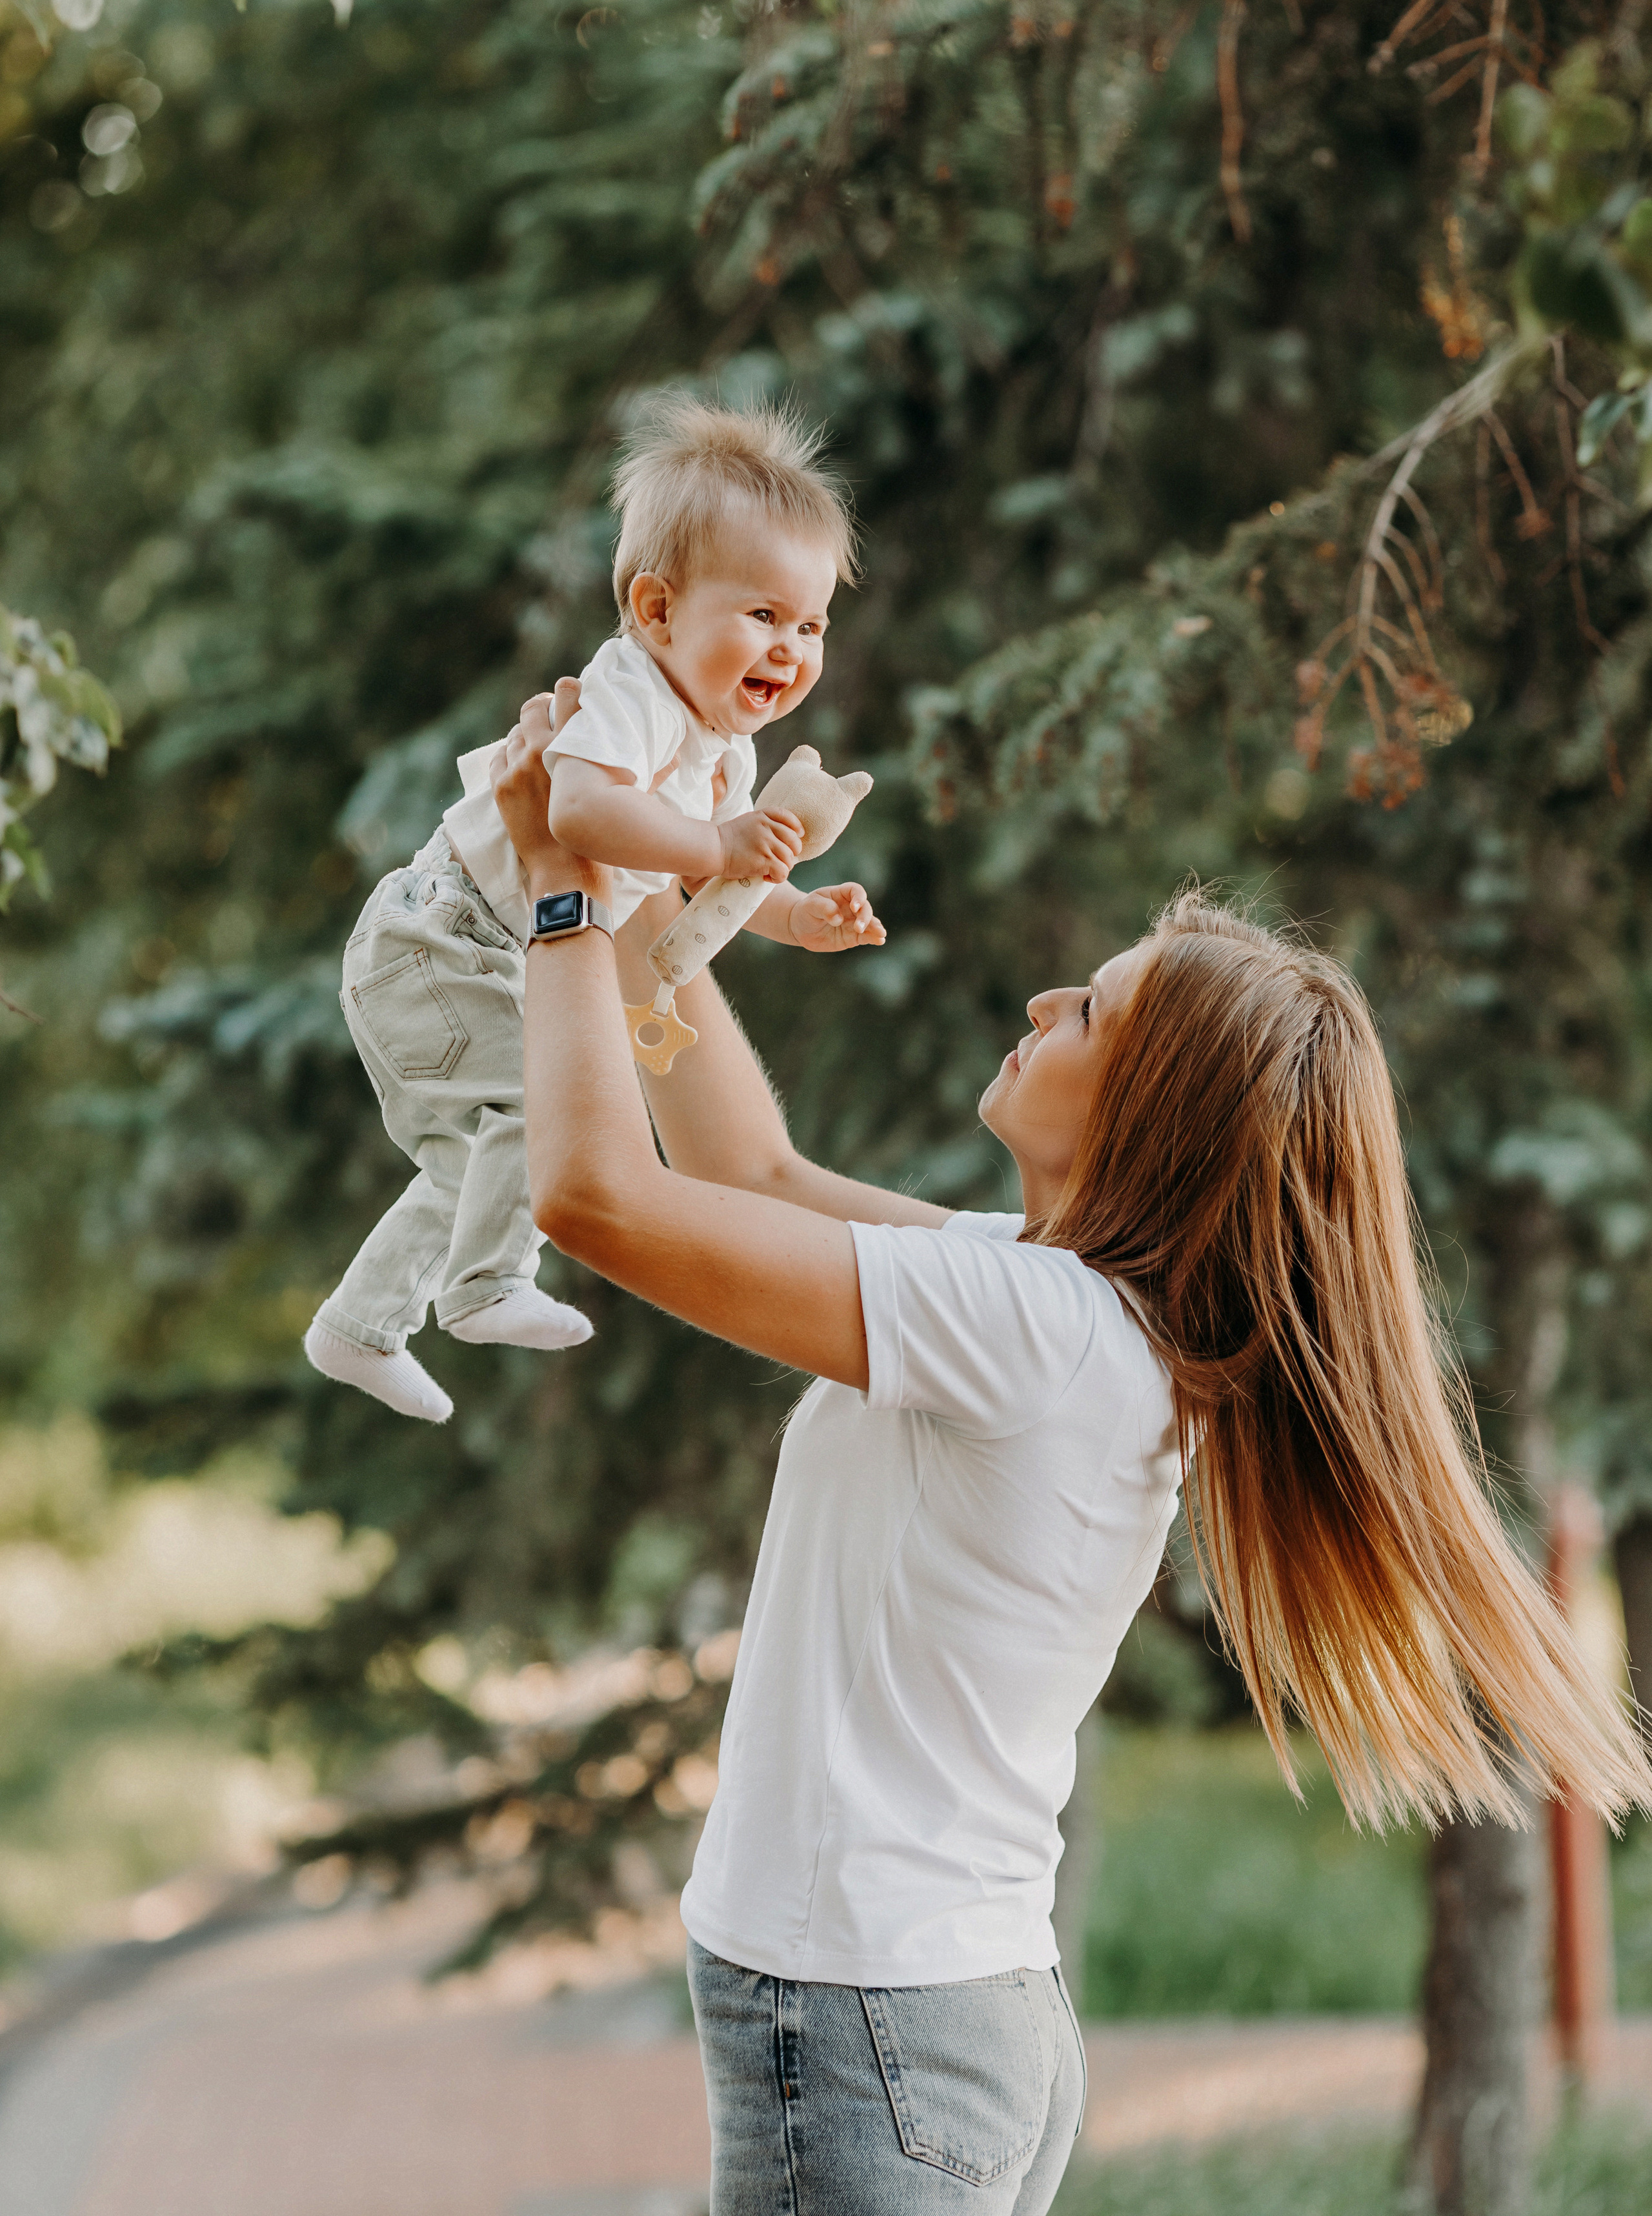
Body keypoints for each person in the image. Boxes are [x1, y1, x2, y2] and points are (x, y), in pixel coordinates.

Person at [489, 693, 1652, 2216]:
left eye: (1089, 1014)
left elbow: (595, 1199)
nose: (1044, 1000)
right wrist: (650, 876)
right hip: (937, 2017)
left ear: (1151, 1118)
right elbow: (747, 1171)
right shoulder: (1062, 1304)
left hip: (865, 2027)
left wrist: (557, 895)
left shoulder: (1031, 1328)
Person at [303, 400, 884, 1424]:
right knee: (541, 1112)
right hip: (438, 943)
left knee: (474, 1158)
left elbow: (705, 881)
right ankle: (484, 1288)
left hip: (476, 952)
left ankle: (358, 1327)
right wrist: (720, 844)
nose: (791, 650)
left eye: (811, 626)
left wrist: (794, 915)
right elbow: (576, 813)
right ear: (657, 611)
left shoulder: (724, 744)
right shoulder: (630, 693)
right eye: (763, 616)